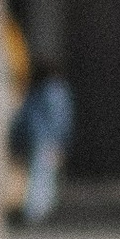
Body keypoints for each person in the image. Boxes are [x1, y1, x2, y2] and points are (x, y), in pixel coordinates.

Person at [11, 67, 73, 227]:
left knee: (39, 175)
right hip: (45, 139)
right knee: (43, 175)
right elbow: (61, 120)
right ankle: (37, 210)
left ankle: (34, 210)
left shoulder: (42, 92)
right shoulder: (56, 92)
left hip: (39, 138)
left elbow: (27, 117)